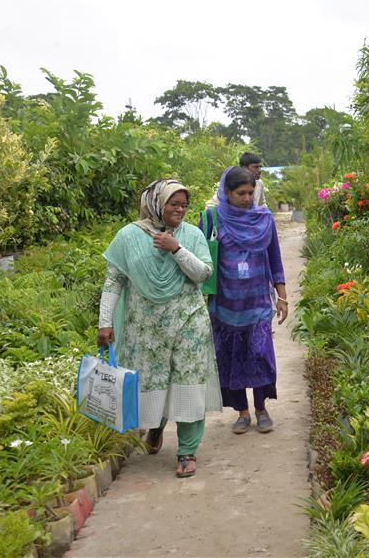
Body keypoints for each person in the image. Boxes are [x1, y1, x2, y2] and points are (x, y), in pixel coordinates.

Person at [97, 179, 222, 478]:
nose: (179, 210)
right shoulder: (128, 236)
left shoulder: (191, 235)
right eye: (173, 204)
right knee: (153, 382)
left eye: (183, 205)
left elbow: (203, 273)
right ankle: (155, 426)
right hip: (146, 328)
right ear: (156, 204)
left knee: (188, 382)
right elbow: (114, 280)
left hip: (188, 323)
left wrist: (176, 248)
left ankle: (187, 451)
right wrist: (104, 322)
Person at [200, 166, 287, 434]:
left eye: (251, 193)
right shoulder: (212, 218)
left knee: (260, 355)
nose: (247, 198)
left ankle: (261, 408)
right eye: (241, 193)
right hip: (225, 305)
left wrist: (282, 297)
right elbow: (201, 258)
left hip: (258, 302)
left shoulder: (264, 218)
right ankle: (242, 412)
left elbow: (275, 258)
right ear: (227, 192)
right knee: (230, 358)